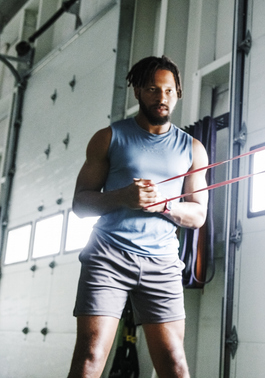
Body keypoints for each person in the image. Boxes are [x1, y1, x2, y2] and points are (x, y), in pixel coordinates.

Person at [67, 56, 209, 378]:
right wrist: (123, 198)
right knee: (90, 356)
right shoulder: (108, 138)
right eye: (153, 89)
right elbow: (80, 204)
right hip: (108, 255)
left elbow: (198, 214)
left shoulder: (193, 149)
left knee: (174, 364)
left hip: (162, 262)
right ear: (137, 92)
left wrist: (164, 206)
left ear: (178, 93)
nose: (162, 98)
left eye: (169, 90)